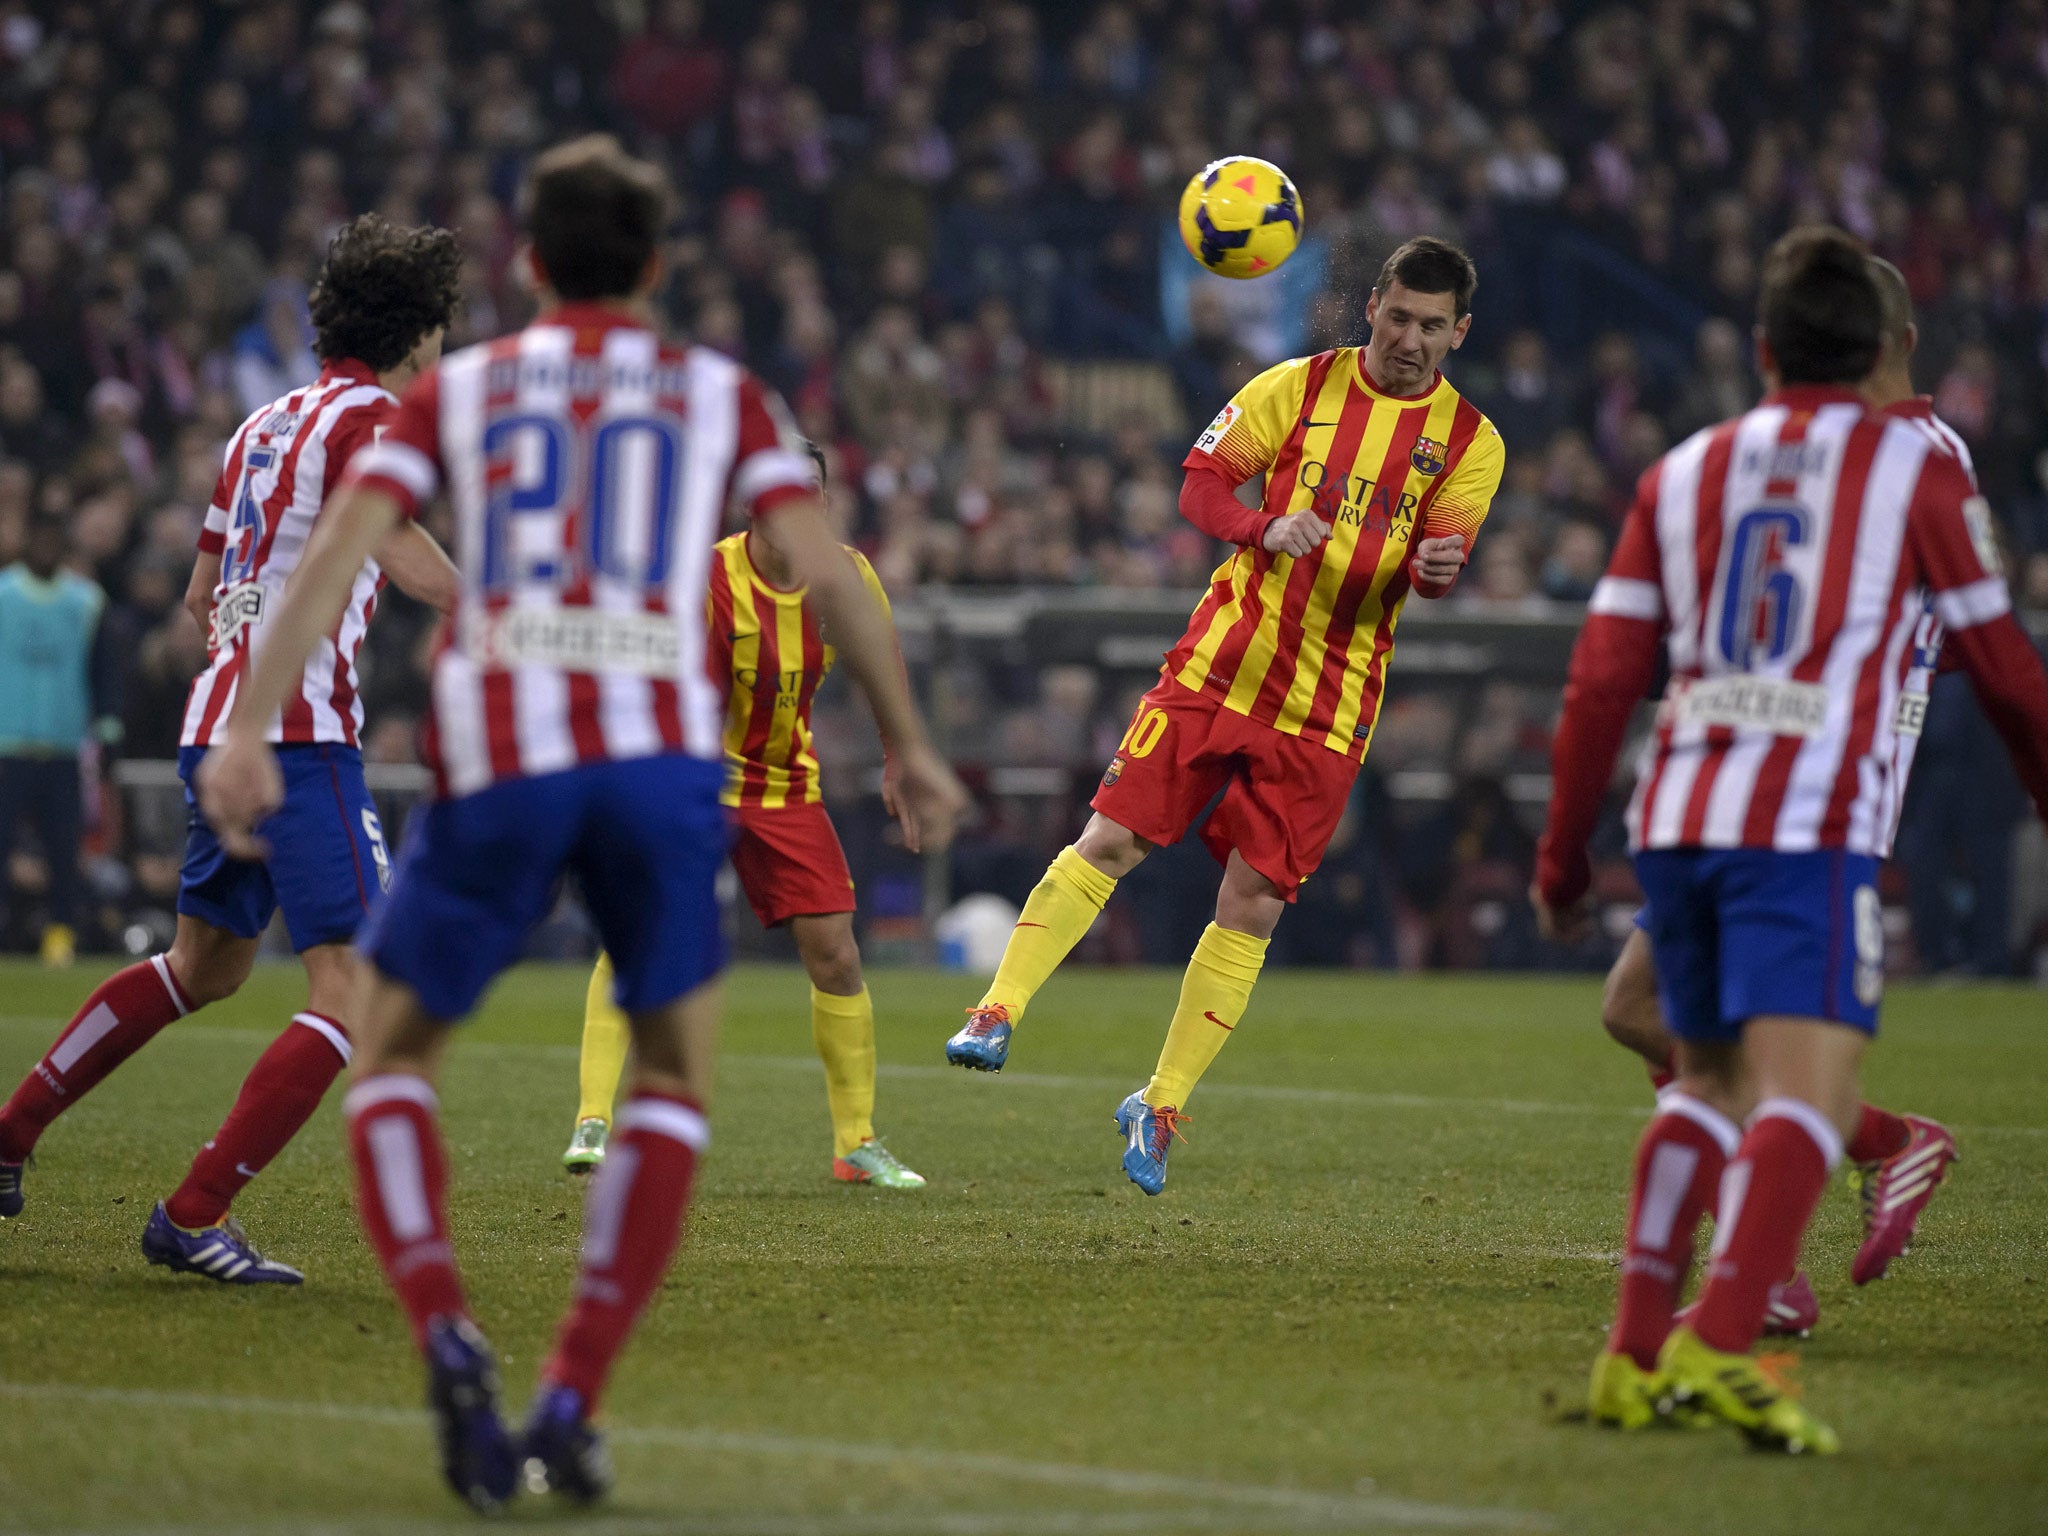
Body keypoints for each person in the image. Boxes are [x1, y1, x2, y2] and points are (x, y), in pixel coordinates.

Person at [196, 136, 965, 1511]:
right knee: (677, 1079)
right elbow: (837, 579)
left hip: (503, 752)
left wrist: (247, 724)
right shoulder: (718, 394)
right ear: (658, 267)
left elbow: (334, 554)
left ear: (531, 264)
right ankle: (570, 1402)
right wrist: (906, 747)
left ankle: (441, 1326)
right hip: (662, 765)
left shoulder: (463, 389)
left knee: (391, 1047)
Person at [1535, 227, 2048, 1453]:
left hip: (1681, 808)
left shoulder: (1684, 468)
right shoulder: (1914, 472)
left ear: (1758, 350)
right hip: (1805, 816)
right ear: (1882, 349)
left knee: (1705, 1082)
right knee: (1802, 1100)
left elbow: (1600, 676)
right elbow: (2006, 673)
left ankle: (1632, 1353)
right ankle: (1720, 1349)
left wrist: (1563, 853)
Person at [946, 237, 1504, 1195]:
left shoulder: (1472, 444)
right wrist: (1263, 526)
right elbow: (1199, 484)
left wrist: (1437, 570)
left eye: (1433, 326)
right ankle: (997, 1008)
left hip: (1329, 709)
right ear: (1373, 306)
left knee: (1251, 903)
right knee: (1113, 840)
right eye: (1399, 316)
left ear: (1460, 332)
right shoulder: (1295, 386)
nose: (1412, 339)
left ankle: (1159, 1105)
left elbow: (1433, 560)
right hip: (1222, 666)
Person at [0, 216, 465, 1284]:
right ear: (416, 330)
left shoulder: (259, 426)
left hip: (217, 724)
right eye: (440, 328)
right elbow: (387, 538)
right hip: (299, 735)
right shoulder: (376, 419)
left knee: (200, 966)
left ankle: (10, 1132)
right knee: (357, 989)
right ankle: (193, 1211)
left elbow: (205, 599)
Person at [1593, 255, 1968, 1338]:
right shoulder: (1813, 451)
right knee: (1643, 1011)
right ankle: (1875, 1156)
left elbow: (1946, 630)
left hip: (1820, 785)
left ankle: (1755, 1277)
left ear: (1881, 343)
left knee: (1723, 1036)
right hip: (1750, 774)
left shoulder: (1918, 455)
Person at [565, 444, 929, 1190]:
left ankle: (855, 1142)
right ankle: (594, 1118)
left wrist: (901, 760)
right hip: (691, 781)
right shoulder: (705, 576)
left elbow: (881, 666)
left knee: (837, 954)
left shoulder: (848, 577)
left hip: (785, 788)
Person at [0, 515, 111, 967]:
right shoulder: (4, 594)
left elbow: (103, 670)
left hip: (63, 747)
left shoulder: (85, 601)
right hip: (7, 745)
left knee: (65, 850)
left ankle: (60, 934)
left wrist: (107, 729)